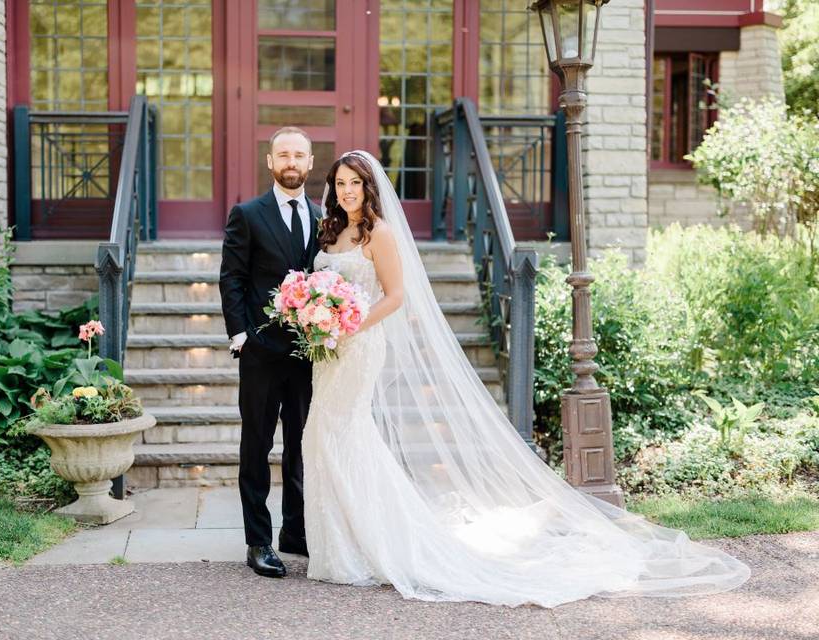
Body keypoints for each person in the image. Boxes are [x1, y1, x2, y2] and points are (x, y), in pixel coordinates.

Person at [302, 150, 750, 607]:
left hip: (359, 346)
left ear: (369, 187)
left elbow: (395, 296)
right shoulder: (331, 230)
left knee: (344, 433)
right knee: (321, 435)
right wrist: (316, 320)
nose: (347, 191)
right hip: (329, 352)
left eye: (355, 183)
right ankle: (339, 546)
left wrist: (349, 327)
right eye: (340, 184)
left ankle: (368, 545)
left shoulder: (381, 233)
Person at [219, 126, 321, 578]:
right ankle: (258, 540)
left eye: (299, 155)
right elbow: (232, 278)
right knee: (257, 445)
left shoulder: (324, 218)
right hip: (261, 352)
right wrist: (240, 335)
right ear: (270, 162)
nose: (291, 162)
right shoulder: (248, 214)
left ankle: (294, 532)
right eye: (283, 154)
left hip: (308, 354)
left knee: (301, 446)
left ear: (311, 162)